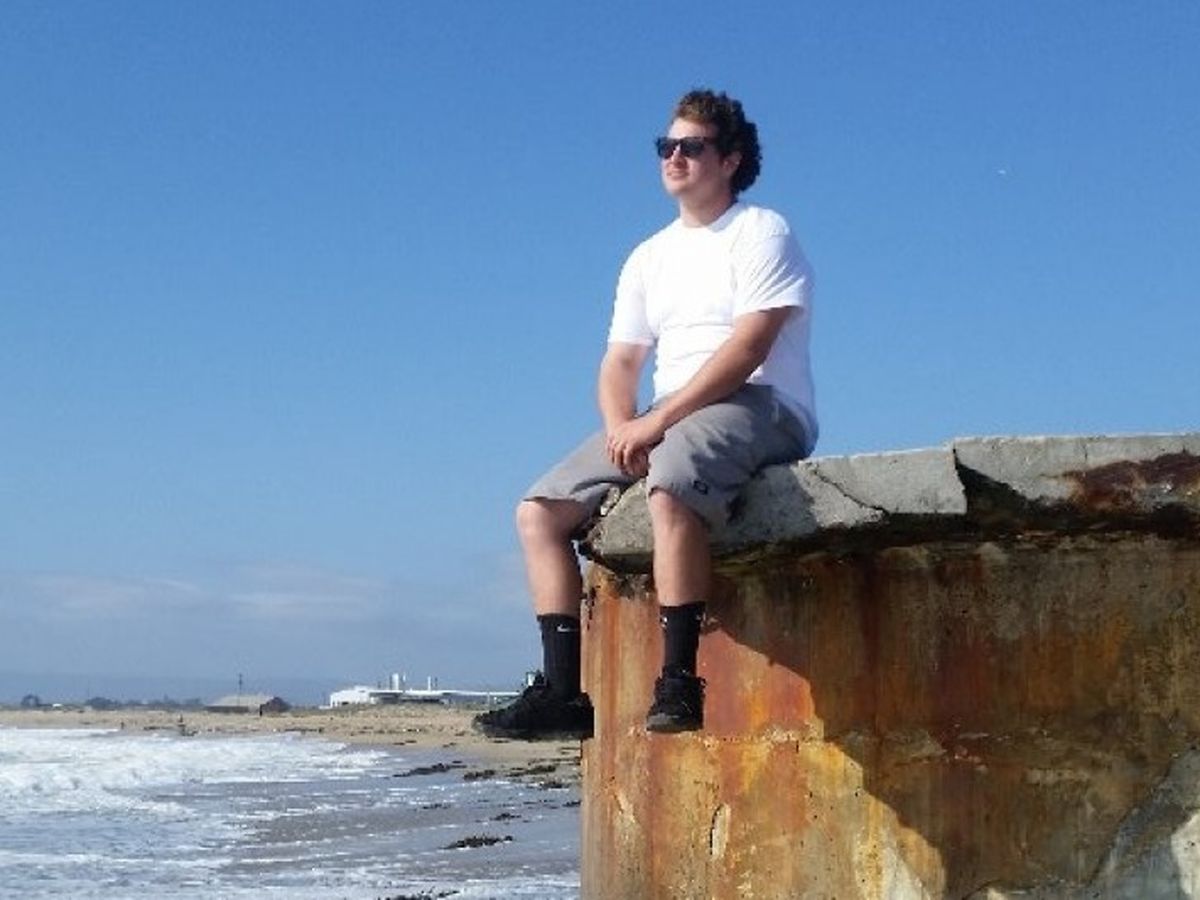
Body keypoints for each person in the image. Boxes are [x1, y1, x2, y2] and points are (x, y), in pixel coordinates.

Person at [474, 88, 817, 739]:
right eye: (666, 146)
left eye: (692, 147)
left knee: (672, 484)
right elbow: (620, 362)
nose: (674, 157)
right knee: (538, 512)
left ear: (731, 160)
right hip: (669, 411)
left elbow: (749, 348)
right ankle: (562, 695)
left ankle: (679, 682)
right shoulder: (649, 256)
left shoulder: (761, 231)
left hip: (761, 402)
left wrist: (654, 426)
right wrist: (619, 429)